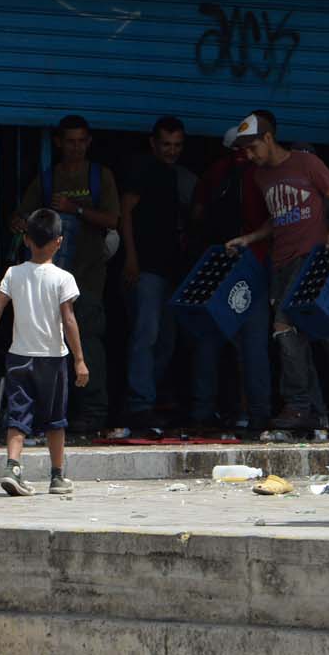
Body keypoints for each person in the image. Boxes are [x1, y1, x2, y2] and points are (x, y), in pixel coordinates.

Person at [226, 110, 329, 431]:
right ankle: (319, 412)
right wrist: (249, 238)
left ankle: (300, 405)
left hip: (310, 259)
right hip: (279, 262)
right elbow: (277, 217)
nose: (250, 155)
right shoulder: (260, 176)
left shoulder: (306, 163)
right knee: (299, 337)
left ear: (269, 138)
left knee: (285, 327)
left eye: (253, 147)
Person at [10, 115, 119, 433]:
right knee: (47, 349)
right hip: (48, 283)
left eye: (81, 141)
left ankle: (93, 414)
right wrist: (18, 223)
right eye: (70, 141)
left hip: (87, 279)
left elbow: (113, 218)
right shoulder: (47, 179)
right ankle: (54, 415)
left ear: (89, 142)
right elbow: (20, 216)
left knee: (88, 346)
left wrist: (77, 210)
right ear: (58, 143)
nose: (76, 147)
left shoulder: (101, 176)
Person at [0, 208, 89, 496]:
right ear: (59, 241)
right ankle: (57, 476)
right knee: (55, 419)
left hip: (19, 357)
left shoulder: (13, 273)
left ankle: (13, 467)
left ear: (26, 239)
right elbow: (69, 320)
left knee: (18, 415)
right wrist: (79, 359)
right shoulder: (63, 278)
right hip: (52, 359)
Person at [187, 125, 272, 431]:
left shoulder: (214, 174)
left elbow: (196, 216)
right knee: (253, 343)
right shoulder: (262, 175)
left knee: (209, 340)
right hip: (253, 266)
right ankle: (257, 413)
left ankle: (202, 411)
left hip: (216, 265)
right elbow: (275, 219)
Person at [120, 116, 197, 430]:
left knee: (166, 339)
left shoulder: (171, 174)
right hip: (147, 268)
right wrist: (131, 258)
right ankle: (140, 405)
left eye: (177, 145)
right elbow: (124, 213)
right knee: (147, 336)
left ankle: (148, 399)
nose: (172, 150)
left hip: (169, 269)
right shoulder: (143, 169)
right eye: (166, 144)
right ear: (153, 143)